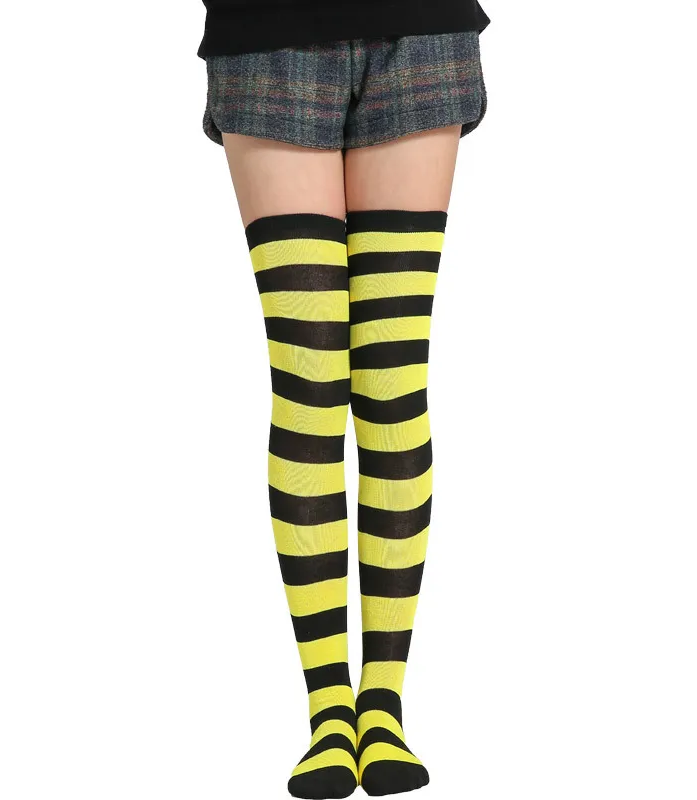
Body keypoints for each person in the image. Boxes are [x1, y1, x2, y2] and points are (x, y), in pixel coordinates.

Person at [198, 2, 490, 797]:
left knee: (392, 378)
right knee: (309, 376)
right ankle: (330, 710)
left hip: (419, 26)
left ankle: (382, 705)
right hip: (265, 31)